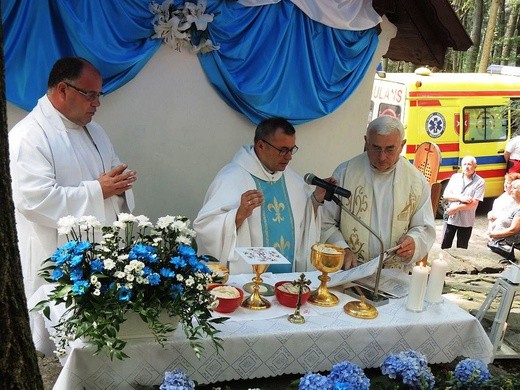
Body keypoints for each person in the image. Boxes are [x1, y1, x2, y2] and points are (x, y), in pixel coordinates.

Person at [9, 57, 137, 299]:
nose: (97, 103)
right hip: (53, 258)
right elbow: (33, 201)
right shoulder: (29, 136)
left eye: (99, 95)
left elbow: (114, 174)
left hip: (100, 257)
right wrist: (98, 191)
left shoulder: (95, 131)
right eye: (90, 95)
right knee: (52, 329)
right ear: (63, 90)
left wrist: (119, 187)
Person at [193, 117, 328, 274]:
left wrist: (316, 200)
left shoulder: (292, 179)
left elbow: (304, 223)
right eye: (283, 150)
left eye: (292, 150)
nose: (289, 157)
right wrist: (237, 215)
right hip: (247, 282)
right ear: (261, 145)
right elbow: (204, 227)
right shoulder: (232, 177)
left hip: (286, 280)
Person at [321, 116, 436, 270]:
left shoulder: (416, 182)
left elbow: (423, 227)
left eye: (390, 149)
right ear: (366, 142)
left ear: (402, 145)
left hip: (394, 272)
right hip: (351, 269)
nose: (382, 157)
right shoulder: (345, 173)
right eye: (376, 147)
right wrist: (342, 248)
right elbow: (326, 222)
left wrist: (414, 242)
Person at [440, 156, 485, 249]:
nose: (466, 167)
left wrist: (456, 208)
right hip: (451, 217)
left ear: (475, 166)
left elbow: (473, 203)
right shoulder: (455, 177)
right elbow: (446, 195)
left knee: (462, 247)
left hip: (466, 220)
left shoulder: (480, 182)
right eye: (464, 164)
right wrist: (461, 198)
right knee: (445, 245)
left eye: (469, 164)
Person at [488, 179, 520, 260]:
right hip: (500, 245)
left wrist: (494, 234)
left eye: (514, 188)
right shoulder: (514, 204)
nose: (511, 190)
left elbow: (513, 230)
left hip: (509, 249)